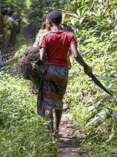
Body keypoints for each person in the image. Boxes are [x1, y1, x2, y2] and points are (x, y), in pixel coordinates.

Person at [38, 10, 92, 138]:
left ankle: (52, 135)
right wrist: (86, 66)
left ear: (49, 22)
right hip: (63, 72)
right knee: (58, 100)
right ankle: (57, 129)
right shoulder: (69, 35)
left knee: (48, 103)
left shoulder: (46, 37)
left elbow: (41, 58)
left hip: (50, 71)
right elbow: (76, 54)